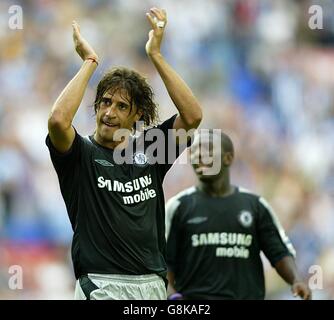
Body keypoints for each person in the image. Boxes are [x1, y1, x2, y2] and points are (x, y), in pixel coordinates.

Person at [46, 7, 202, 300]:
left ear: (137, 116)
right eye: (104, 102)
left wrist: (156, 55)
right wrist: (89, 63)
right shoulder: (80, 154)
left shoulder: (151, 150)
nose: (109, 112)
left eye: (121, 106)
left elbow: (192, 115)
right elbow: (57, 121)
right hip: (101, 284)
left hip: (152, 285)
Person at [165, 130, 311, 300]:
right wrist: (172, 296)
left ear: (228, 158)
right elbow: (162, 264)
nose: (199, 155)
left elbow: (279, 252)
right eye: (195, 151)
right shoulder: (178, 207)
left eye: (208, 150)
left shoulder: (255, 206)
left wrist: (295, 280)